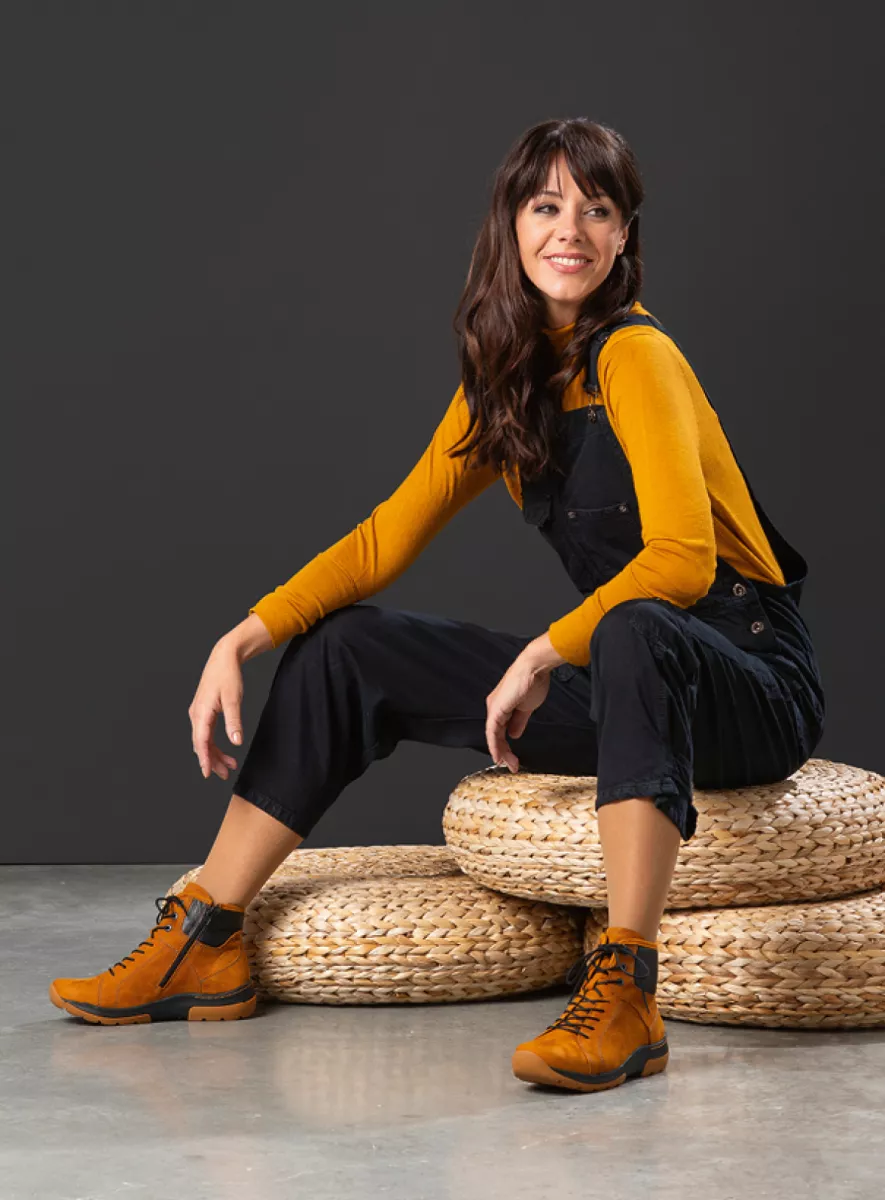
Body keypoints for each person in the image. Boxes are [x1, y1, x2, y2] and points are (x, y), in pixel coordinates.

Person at [49, 118, 825, 1094]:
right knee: (348, 649)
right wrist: (243, 636)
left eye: (597, 210)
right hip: (629, 676)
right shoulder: (508, 386)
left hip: (749, 680)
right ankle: (204, 939)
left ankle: (627, 992)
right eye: (546, 206)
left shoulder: (638, 357)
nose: (570, 230)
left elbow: (680, 559)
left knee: (632, 626)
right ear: (510, 224)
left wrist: (542, 653)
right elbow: (385, 539)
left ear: (624, 235)